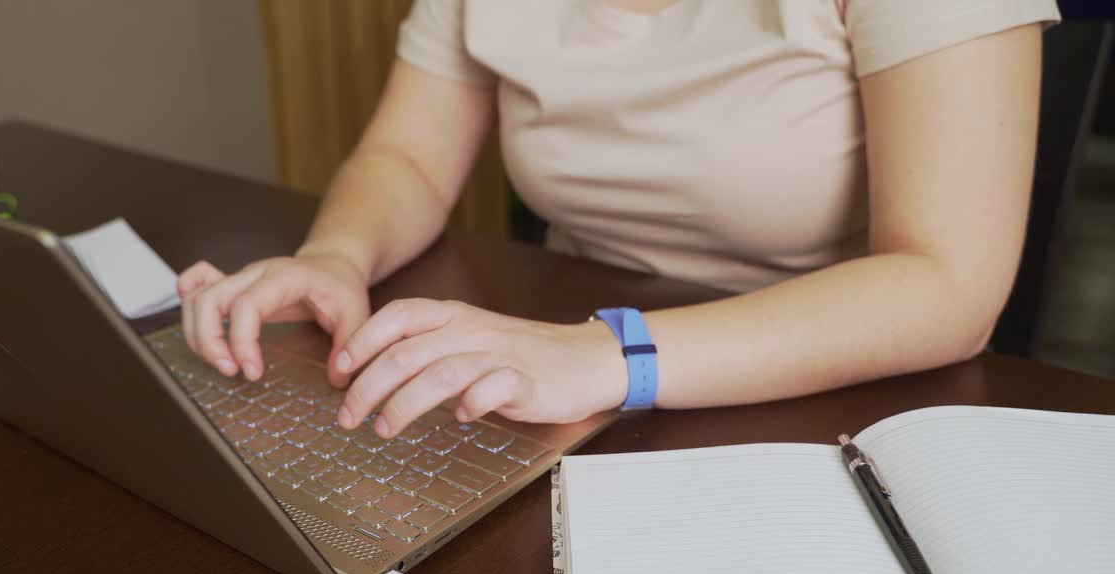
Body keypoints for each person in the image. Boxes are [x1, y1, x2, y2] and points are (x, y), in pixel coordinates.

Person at [177, 0, 1060, 440]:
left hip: (826, 396)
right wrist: (336, 255)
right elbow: (405, 158)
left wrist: (614, 353)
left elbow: (950, 282)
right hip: (570, 379)